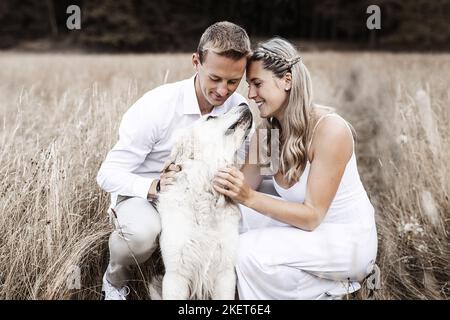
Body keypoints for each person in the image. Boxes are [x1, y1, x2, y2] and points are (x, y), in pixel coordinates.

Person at [213, 38, 378, 299]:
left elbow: (312, 216)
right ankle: (322, 290)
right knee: (232, 220)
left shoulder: (330, 130)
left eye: (257, 84)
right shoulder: (268, 132)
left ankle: (336, 283)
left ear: (287, 80)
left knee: (246, 251)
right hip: (307, 231)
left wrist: (250, 196)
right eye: (249, 86)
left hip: (344, 240)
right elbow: (238, 192)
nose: (251, 95)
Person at [96, 21, 251, 300]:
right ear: (196, 62)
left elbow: (242, 162)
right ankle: (115, 281)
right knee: (142, 234)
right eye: (214, 78)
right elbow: (107, 174)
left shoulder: (237, 108)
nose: (223, 91)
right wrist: (153, 185)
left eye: (233, 81)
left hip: (202, 200)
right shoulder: (156, 106)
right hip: (146, 197)